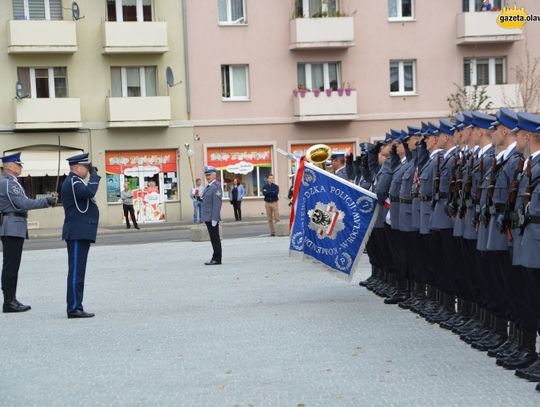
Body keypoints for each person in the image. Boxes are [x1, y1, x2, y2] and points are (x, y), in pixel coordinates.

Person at [0, 152, 56, 313]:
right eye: (18, 164)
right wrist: (47, 201)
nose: (21, 166)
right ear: (10, 166)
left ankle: (11, 299)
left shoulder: (9, 182)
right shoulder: (9, 183)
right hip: (12, 227)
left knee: (11, 265)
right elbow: (23, 203)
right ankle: (9, 302)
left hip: (12, 226)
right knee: (11, 266)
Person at [61, 153, 100, 319]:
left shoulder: (75, 181)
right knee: (76, 271)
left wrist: (91, 175)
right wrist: (95, 176)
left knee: (78, 271)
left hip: (80, 232)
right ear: (77, 167)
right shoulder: (73, 182)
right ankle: (74, 307)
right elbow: (89, 192)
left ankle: (77, 305)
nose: (87, 170)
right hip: (77, 232)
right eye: (86, 167)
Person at [201, 166, 222, 265]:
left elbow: (217, 204)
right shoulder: (209, 186)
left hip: (212, 217)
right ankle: (215, 257)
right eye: (206, 175)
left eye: (209, 175)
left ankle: (217, 258)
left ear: (214, 175)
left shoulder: (216, 186)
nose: (207, 177)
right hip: (208, 217)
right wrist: (195, 196)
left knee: (215, 238)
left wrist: (215, 218)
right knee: (213, 238)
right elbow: (205, 200)